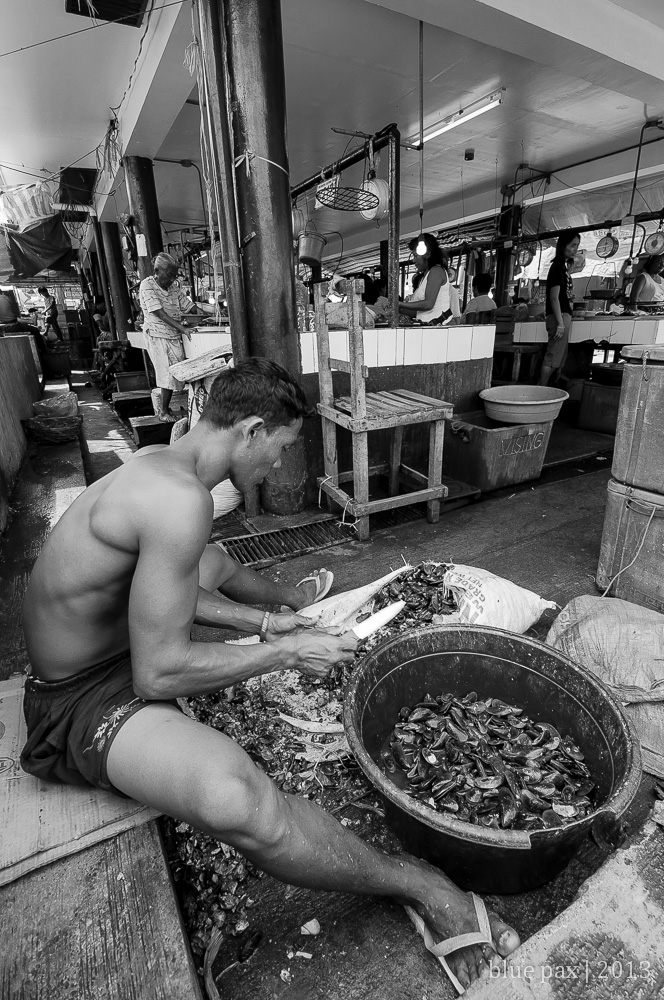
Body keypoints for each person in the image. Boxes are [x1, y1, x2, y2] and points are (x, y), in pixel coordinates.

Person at [20, 357, 519, 991]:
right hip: (79, 698)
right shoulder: (179, 500)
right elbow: (159, 674)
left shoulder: (162, 463)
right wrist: (290, 653)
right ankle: (420, 884)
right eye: (281, 448)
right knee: (234, 800)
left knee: (209, 561)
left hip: (112, 651)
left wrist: (263, 623)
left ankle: (284, 612)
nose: (279, 465)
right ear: (252, 430)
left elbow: (159, 587)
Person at [138, 252, 209, 422]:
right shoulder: (147, 285)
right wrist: (183, 329)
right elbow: (159, 313)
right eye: (169, 275)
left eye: (174, 276)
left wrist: (203, 315)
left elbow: (188, 305)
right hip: (157, 334)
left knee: (177, 371)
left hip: (173, 334)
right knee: (167, 374)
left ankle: (176, 407)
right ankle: (163, 411)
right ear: (157, 271)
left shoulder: (173, 288)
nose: (172, 279)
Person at [538, 230, 581, 386]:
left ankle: (546, 389)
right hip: (559, 317)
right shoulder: (557, 267)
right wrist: (560, 324)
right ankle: (540, 388)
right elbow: (553, 297)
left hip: (562, 316)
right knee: (553, 357)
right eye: (572, 245)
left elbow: (560, 296)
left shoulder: (563, 268)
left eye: (577, 245)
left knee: (558, 358)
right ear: (563, 245)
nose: (575, 249)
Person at [399, 234, 455, 325]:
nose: (414, 260)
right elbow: (421, 313)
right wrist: (400, 309)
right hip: (430, 326)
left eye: (416, 256)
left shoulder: (436, 271)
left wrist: (400, 304)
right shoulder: (424, 277)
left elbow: (428, 304)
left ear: (427, 254)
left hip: (441, 326)